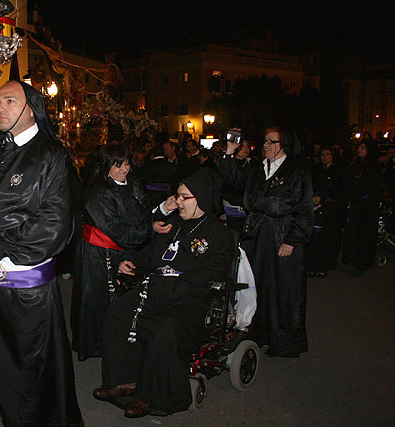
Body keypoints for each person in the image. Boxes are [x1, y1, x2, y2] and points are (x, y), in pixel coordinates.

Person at [0, 80, 83, 426]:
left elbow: (56, 224)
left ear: (31, 108)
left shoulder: (51, 155)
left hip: (26, 292)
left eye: (10, 100)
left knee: (29, 376)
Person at [93, 168, 236, 418]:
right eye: (177, 196)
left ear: (200, 197)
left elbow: (210, 276)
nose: (177, 201)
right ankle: (123, 381)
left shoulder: (219, 234)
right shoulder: (173, 224)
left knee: (165, 327)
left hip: (188, 300)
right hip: (156, 290)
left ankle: (150, 396)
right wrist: (131, 261)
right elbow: (152, 254)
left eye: (184, 197)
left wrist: (171, 287)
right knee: (118, 312)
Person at [217, 126, 313, 358]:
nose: (266, 145)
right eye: (265, 141)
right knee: (256, 283)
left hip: (283, 234)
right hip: (257, 234)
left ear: (284, 145)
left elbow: (304, 210)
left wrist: (292, 240)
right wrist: (229, 153)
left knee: (284, 287)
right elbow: (232, 179)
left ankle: (283, 340)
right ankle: (257, 333)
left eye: (272, 142)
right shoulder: (257, 169)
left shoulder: (297, 172)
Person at [70, 142, 152, 361]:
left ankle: (119, 342)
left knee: (122, 301)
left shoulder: (133, 184)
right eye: (118, 164)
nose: (124, 169)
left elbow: (141, 212)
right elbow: (117, 229)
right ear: (107, 166)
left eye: (126, 163)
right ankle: (94, 345)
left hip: (123, 248)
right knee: (96, 301)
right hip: (97, 253)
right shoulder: (98, 192)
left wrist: (158, 213)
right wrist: (148, 229)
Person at [341, 140, 383, 277]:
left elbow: (370, 187)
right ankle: (353, 258)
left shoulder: (373, 166)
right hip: (356, 205)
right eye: (359, 147)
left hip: (367, 207)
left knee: (365, 236)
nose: (360, 150)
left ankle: (363, 263)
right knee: (353, 234)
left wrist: (358, 194)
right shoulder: (354, 164)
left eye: (363, 148)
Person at [221, 140, 254, 234]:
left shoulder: (253, 164)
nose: (245, 149)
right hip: (232, 208)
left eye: (247, 146)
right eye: (242, 146)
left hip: (247, 209)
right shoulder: (229, 164)